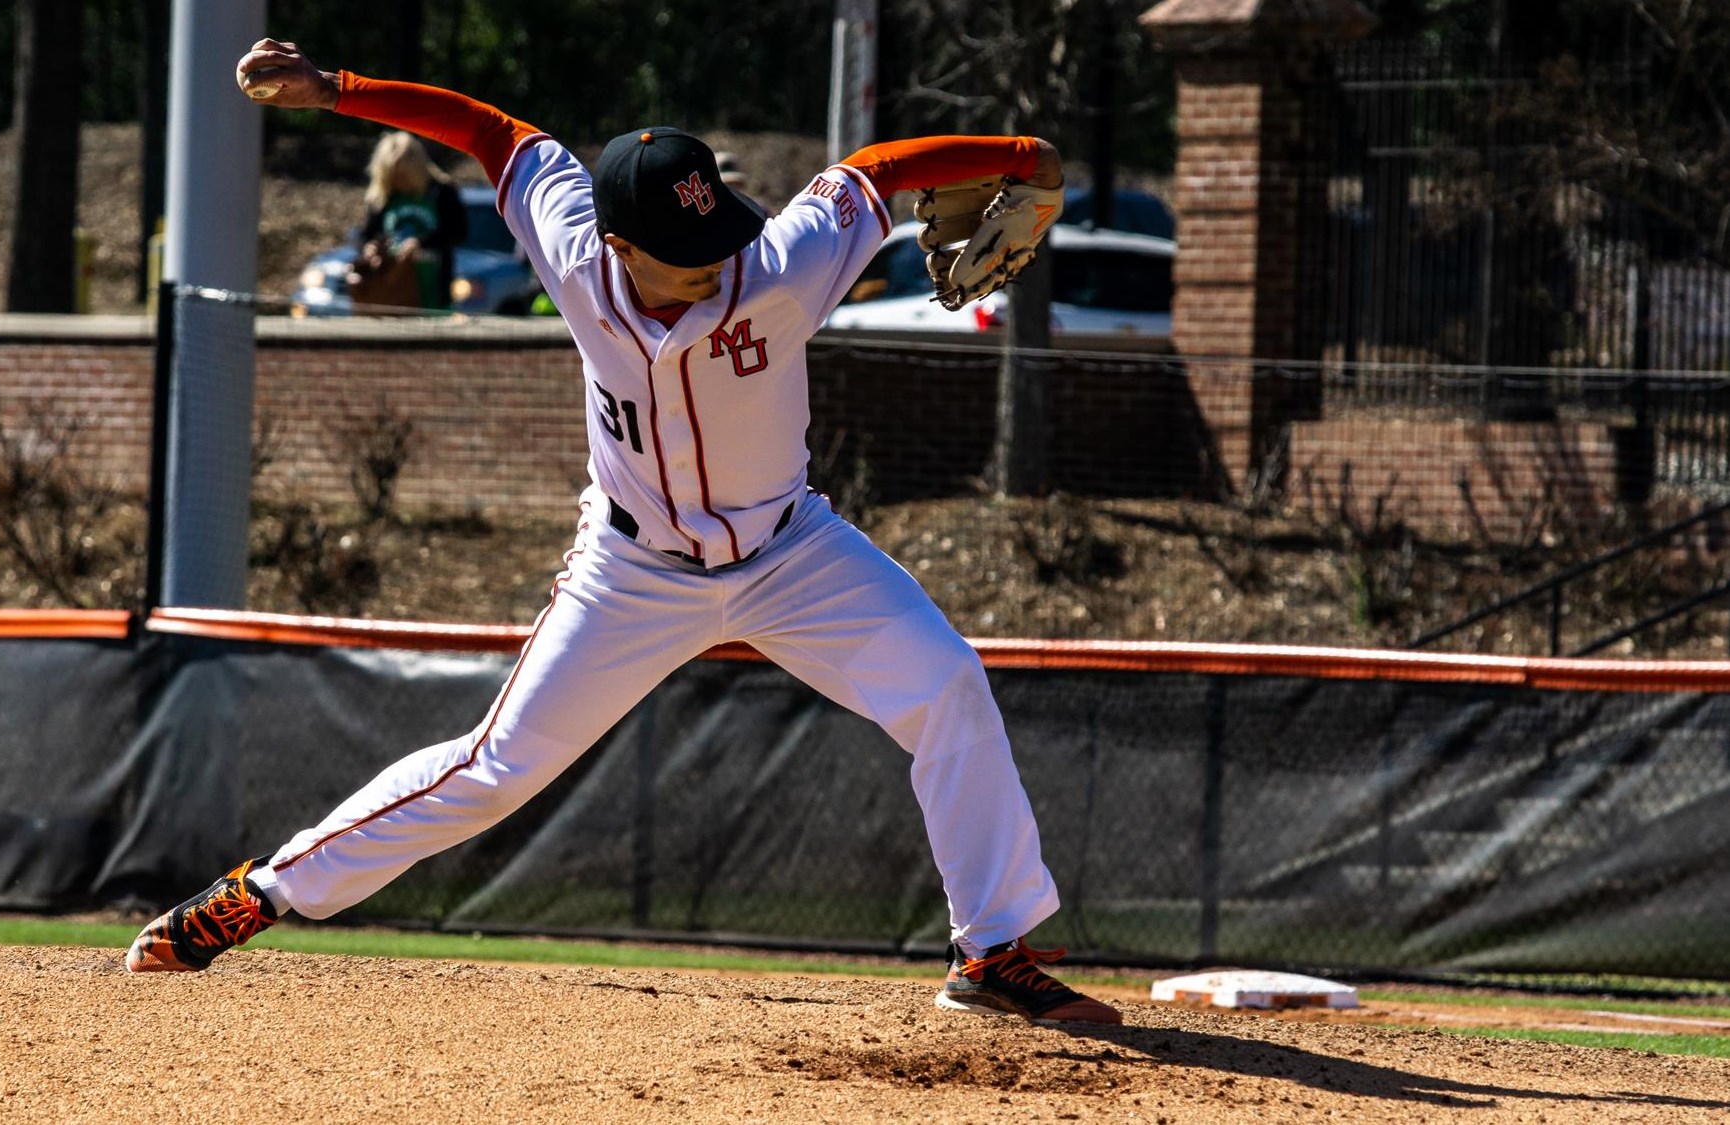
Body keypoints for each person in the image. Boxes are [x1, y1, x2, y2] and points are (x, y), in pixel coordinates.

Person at [125, 36, 1122, 1031]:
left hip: (792, 553)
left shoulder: (781, 261)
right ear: (619, 246)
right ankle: (263, 893)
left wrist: (1019, 150)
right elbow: (488, 131)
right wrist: (338, 91)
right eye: (685, 251)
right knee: (492, 768)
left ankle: (991, 952)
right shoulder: (571, 242)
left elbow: (872, 170)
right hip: (632, 570)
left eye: (718, 231)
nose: (717, 257)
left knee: (946, 683)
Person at [349, 129, 467, 312]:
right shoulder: (385, 196)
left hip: (433, 289)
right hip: (390, 289)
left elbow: (459, 232)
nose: (399, 182)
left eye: (402, 175)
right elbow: (365, 234)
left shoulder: (442, 192)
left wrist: (421, 243)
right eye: (393, 176)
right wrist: (368, 246)